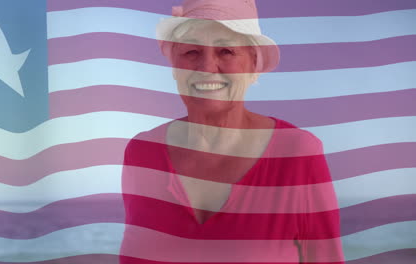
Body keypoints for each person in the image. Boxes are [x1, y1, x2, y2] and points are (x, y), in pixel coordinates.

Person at [119, 0, 345, 263]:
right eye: (191, 51)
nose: (206, 67)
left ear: (253, 65)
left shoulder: (296, 153)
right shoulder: (143, 153)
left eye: (226, 51)